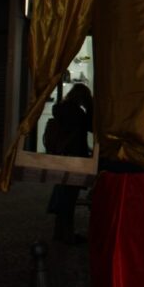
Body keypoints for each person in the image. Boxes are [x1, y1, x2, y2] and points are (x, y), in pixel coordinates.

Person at [44, 83, 93, 244]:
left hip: (62, 156)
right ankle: (68, 234)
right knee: (70, 197)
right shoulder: (78, 113)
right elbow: (91, 127)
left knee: (62, 192)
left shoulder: (59, 109)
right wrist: (90, 107)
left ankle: (59, 232)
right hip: (75, 158)